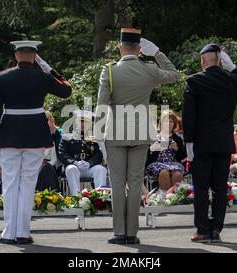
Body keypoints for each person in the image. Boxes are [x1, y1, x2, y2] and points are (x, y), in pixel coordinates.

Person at [95, 28, 179, 245]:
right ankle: (132, 233)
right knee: (134, 183)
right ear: (140, 49)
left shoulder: (110, 71)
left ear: (120, 48)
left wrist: (98, 134)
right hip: (141, 132)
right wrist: (157, 53)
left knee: (117, 182)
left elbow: (102, 105)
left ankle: (119, 232)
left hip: (115, 133)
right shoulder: (149, 68)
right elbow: (173, 74)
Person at [0, 40, 72, 245]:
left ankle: (9, 233)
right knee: (27, 184)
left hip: (9, 135)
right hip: (35, 135)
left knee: (10, 184)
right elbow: (66, 90)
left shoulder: (2, 77)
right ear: (35, 56)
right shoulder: (42, 77)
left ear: (16, 56)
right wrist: (49, 69)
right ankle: (23, 232)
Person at [182, 43, 237, 243]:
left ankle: (203, 229)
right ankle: (216, 229)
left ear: (203, 60)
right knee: (220, 188)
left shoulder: (194, 81)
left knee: (201, 188)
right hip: (222, 144)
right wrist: (233, 68)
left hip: (201, 145)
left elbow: (189, 115)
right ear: (220, 61)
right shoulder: (230, 80)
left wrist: (189, 143)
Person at [59, 110, 107, 196]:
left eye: (86, 122)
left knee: (101, 169)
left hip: (89, 167)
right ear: (76, 122)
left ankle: (100, 198)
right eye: (80, 121)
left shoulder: (94, 138)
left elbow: (99, 154)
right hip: (75, 167)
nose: (83, 124)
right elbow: (62, 154)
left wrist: (90, 163)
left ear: (89, 124)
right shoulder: (67, 137)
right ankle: (76, 198)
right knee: (71, 168)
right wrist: (74, 162)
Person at [145, 110, 186, 194]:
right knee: (164, 173)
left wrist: (177, 149)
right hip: (157, 163)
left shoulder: (177, 138)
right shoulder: (154, 137)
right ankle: (165, 198)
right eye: (166, 121)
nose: (168, 123)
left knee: (177, 174)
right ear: (161, 123)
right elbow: (146, 155)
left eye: (171, 121)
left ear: (174, 124)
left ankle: (175, 197)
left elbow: (183, 157)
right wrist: (153, 148)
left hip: (173, 163)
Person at [36, 111, 63, 193]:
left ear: (51, 120)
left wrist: (54, 130)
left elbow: (62, 148)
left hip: (53, 166)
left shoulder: (59, 132)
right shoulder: (35, 135)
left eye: (46, 120)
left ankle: (52, 197)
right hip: (36, 165)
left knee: (45, 169)